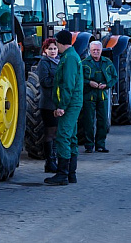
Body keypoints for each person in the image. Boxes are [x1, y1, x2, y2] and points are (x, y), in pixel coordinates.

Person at [44, 30, 83, 186]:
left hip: (70, 103)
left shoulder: (70, 58)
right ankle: (71, 174)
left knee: (62, 136)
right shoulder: (70, 56)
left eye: (56, 44)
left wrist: (61, 106)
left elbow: (68, 84)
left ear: (60, 43)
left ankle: (62, 174)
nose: (56, 48)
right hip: (72, 102)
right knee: (71, 137)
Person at [79, 41, 118, 153]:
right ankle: (89, 145)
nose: (96, 52)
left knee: (103, 121)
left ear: (101, 50)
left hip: (102, 95)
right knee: (88, 121)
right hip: (89, 95)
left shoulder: (107, 62)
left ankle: (100, 144)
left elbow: (114, 77)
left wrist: (107, 85)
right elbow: (79, 79)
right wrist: (89, 82)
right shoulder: (84, 63)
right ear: (90, 51)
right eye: (93, 50)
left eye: (98, 50)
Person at [36, 38, 60, 173]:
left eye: (55, 48)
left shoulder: (59, 61)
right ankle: (49, 162)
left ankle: (54, 159)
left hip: (57, 102)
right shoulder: (44, 63)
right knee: (50, 132)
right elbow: (44, 81)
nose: (52, 51)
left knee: (55, 132)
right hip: (48, 103)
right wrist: (60, 80)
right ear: (45, 50)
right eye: (50, 49)